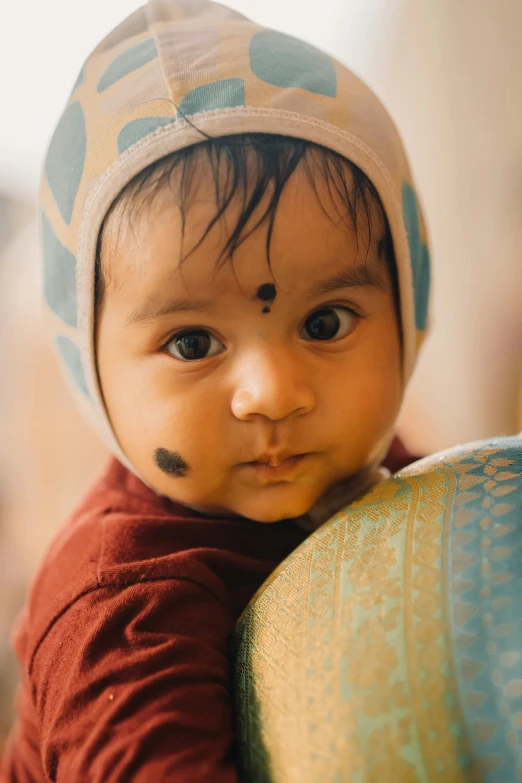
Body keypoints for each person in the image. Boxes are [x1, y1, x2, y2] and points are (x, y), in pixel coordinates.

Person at [1, 0, 431, 780]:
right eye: (192, 343)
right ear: (92, 370)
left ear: (411, 310)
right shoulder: (122, 606)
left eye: (327, 321)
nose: (272, 394)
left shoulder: (378, 473)